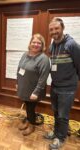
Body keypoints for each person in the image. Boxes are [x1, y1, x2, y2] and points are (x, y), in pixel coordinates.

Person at [44, 17, 80, 150]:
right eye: (51, 29)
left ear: (62, 28)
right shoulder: (52, 45)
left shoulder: (71, 45)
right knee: (55, 112)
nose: (54, 31)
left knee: (63, 115)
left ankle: (60, 137)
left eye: (56, 28)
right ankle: (57, 132)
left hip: (68, 88)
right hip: (55, 86)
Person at [17, 33, 50, 136]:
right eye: (34, 42)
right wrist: (17, 82)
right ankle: (28, 120)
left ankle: (32, 125)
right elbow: (19, 69)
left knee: (31, 108)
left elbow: (43, 78)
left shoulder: (43, 59)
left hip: (34, 90)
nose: (35, 44)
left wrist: (36, 92)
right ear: (30, 43)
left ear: (42, 45)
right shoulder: (25, 54)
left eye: (38, 43)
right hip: (24, 87)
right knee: (27, 106)